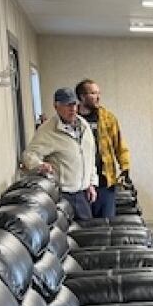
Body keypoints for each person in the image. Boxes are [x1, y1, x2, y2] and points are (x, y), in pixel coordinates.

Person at [22, 87, 97, 220]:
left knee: (86, 234)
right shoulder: (48, 130)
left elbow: (90, 157)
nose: (72, 109)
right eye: (67, 105)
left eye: (74, 104)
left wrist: (91, 183)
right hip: (63, 194)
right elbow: (29, 155)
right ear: (56, 106)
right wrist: (40, 165)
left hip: (83, 194)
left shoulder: (84, 125)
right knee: (68, 236)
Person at [75, 79, 131, 218]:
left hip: (105, 180)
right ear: (82, 96)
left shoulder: (107, 118)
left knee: (107, 221)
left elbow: (119, 145)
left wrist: (125, 166)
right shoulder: (72, 119)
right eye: (93, 93)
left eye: (98, 93)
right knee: (87, 224)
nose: (98, 97)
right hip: (81, 181)